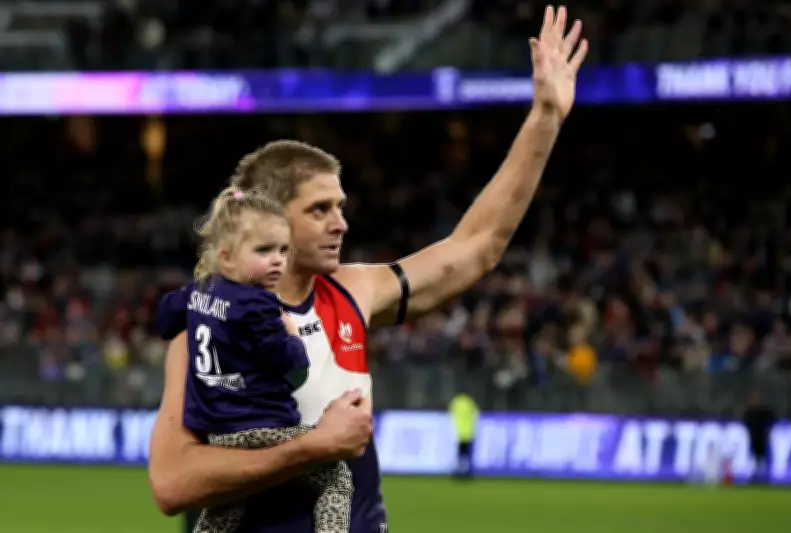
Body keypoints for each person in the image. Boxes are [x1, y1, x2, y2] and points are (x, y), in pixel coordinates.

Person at [148, 6, 588, 532]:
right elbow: (173, 483)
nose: (341, 224)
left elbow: (477, 246)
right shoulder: (207, 325)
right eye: (320, 210)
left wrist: (544, 118)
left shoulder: (354, 291)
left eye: (340, 206)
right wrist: (314, 447)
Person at [154, 187, 353, 533]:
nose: (277, 260)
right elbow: (286, 362)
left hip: (217, 434)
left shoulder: (199, 291)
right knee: (337, 475)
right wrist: (292, 336)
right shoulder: (259, 304)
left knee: (226, 505)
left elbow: (164, 318)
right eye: (264, 250)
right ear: (227, 257)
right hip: (262, 429)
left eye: (282, 250)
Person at [448, 390, 480, 480]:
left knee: (460, 454)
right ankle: (467, 472)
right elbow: (476, 414)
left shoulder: (456, 401)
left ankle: (459, 472)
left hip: (459, 433)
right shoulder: (470, 401)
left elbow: (451, 414)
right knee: (467, 454)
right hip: (469, 432)